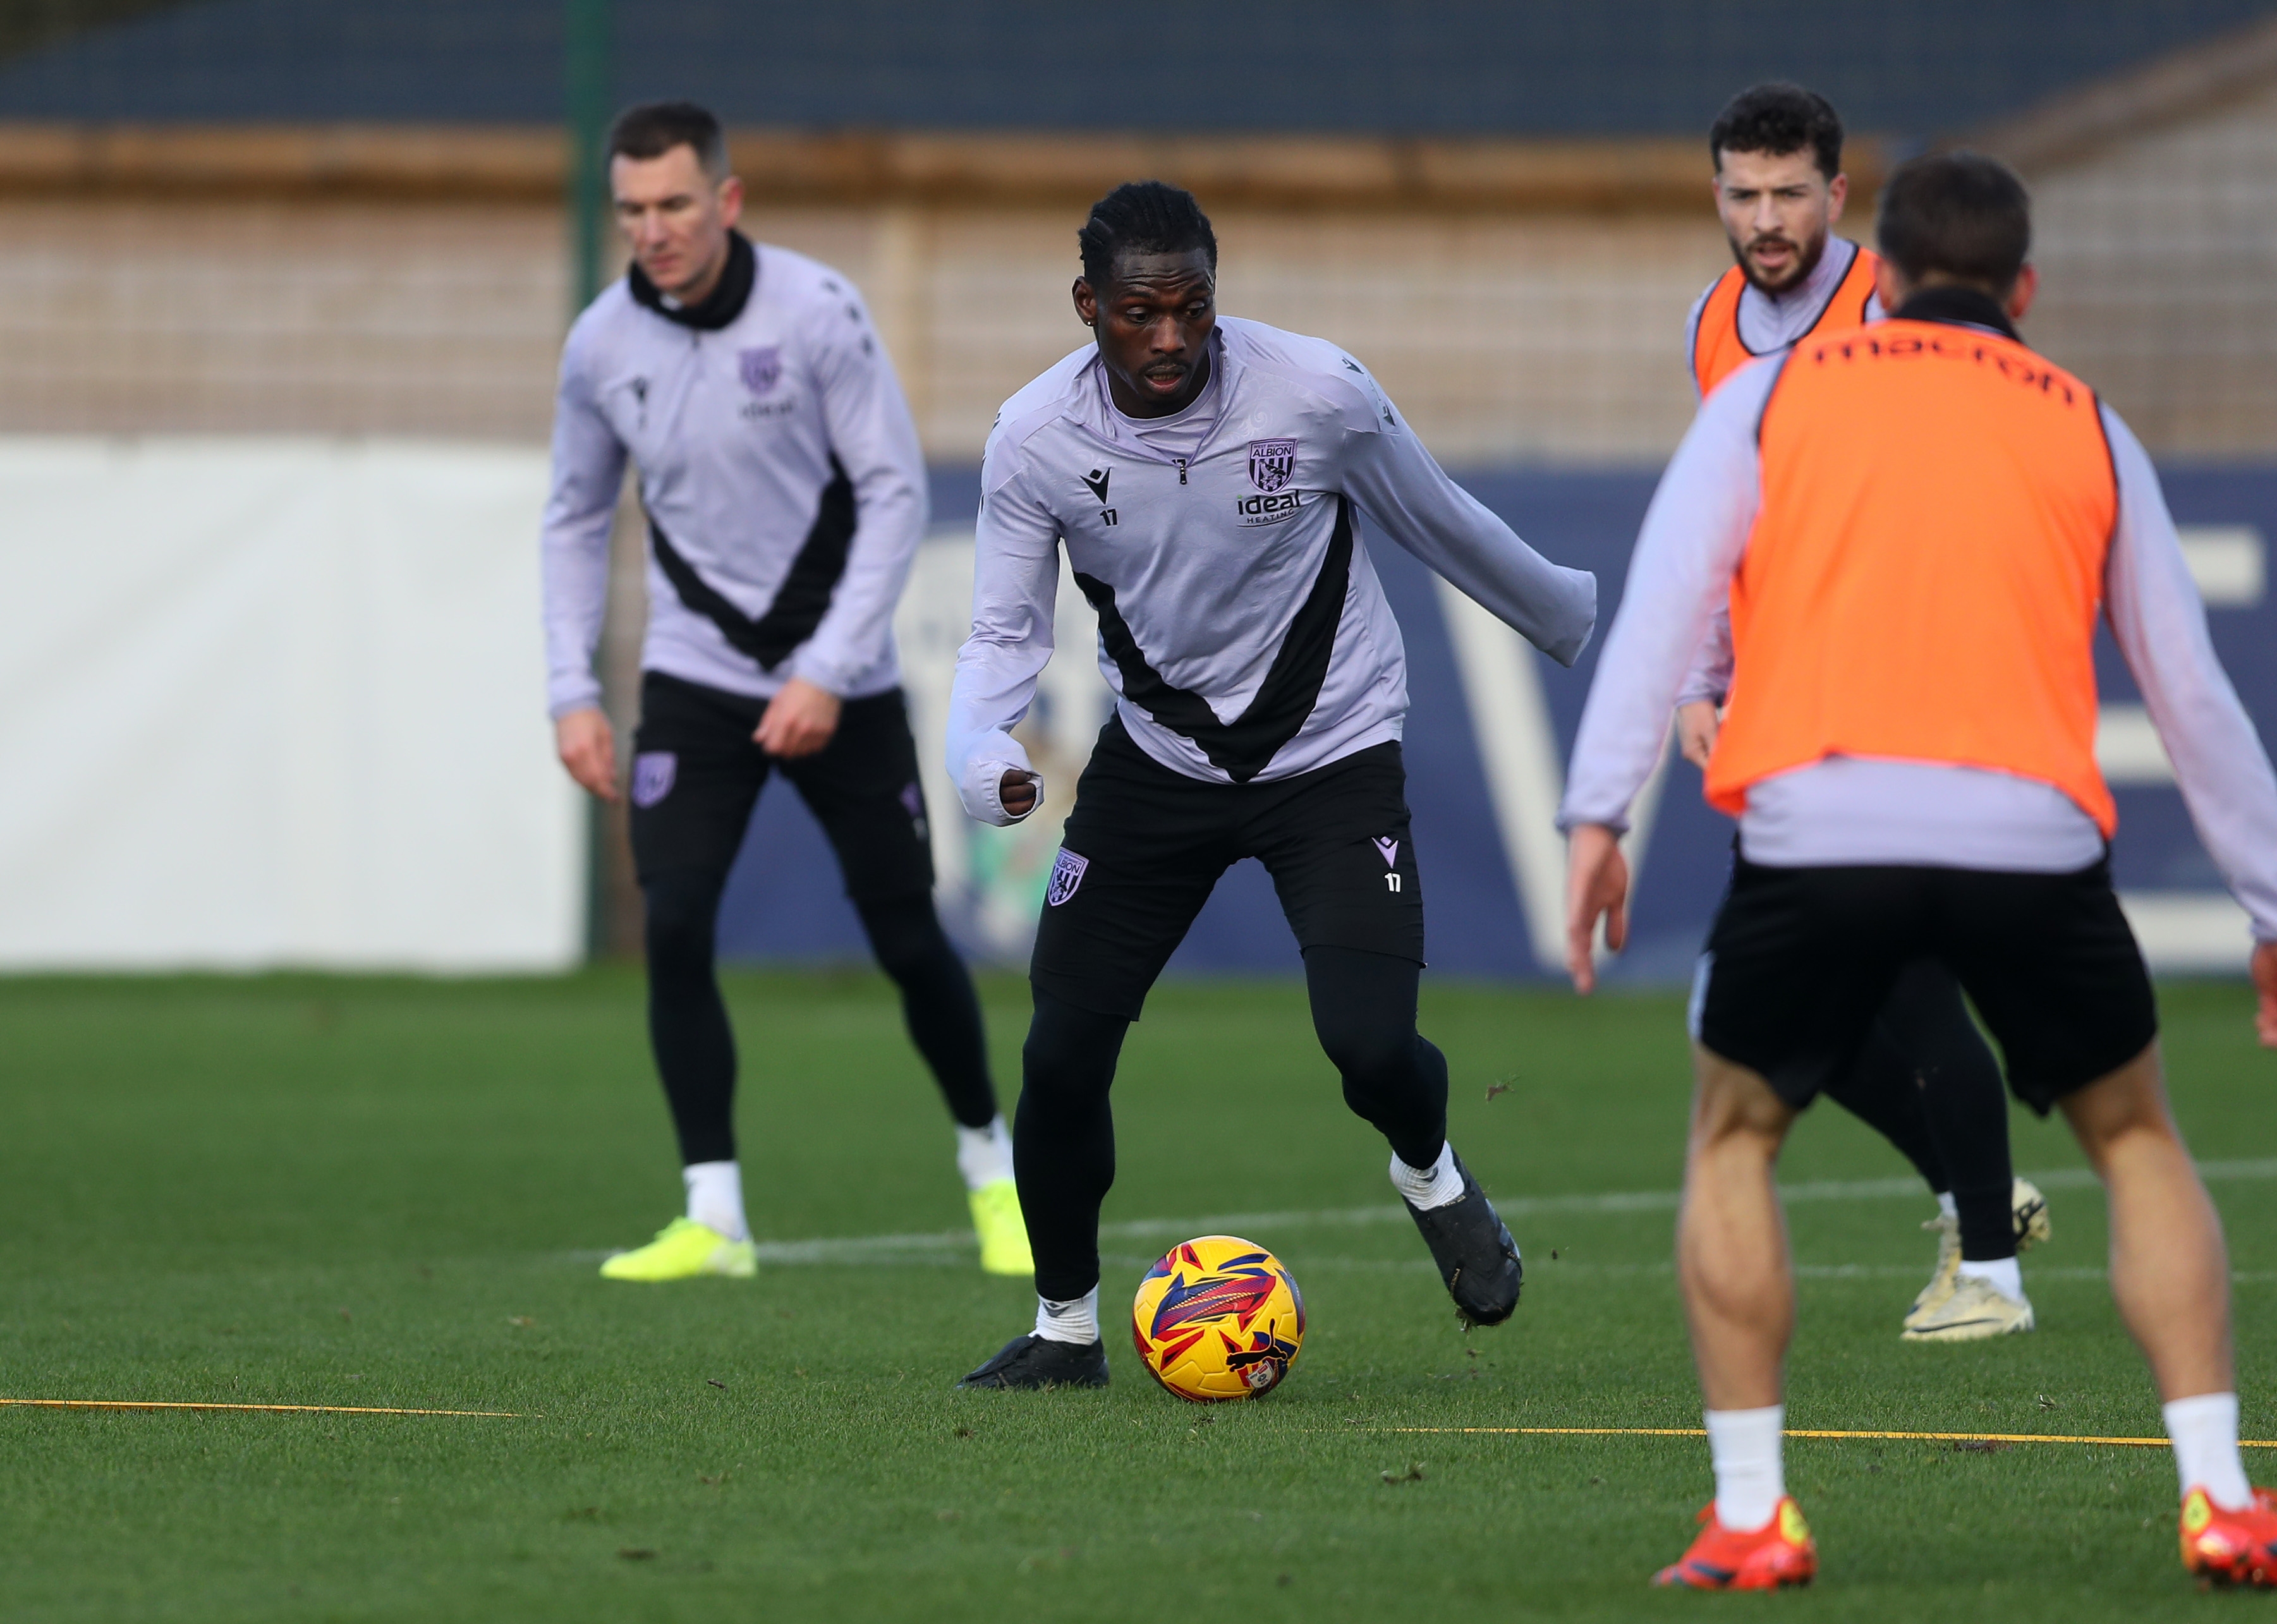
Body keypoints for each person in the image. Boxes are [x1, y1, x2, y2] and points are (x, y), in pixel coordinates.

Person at [1560, 153, 2277, 1592]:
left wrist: (1594, 820)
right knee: (2135, 1139)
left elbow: (1664, 615)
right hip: (2026, 835)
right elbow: (2192, 695)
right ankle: (2221, 1496)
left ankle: (1750, 1515)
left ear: (1888, 273)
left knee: (1734, 1137)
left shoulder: (1766, 397)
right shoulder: (2089, 424)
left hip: (1817, 826)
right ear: (2023, 289)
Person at [946, 181, 1598, 1389]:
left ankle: (1430, 1175)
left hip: (1333, 755)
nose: (1169, 339)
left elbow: (1439, 521)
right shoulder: (1034, 438)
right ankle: (1067, 1330)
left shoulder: (1316, 393)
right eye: (1138, 312)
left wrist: (1577, 622)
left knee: (1367, 1045)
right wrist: (983, 756)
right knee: (1059, 1057)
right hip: (1158, 766)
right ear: (1087, 305)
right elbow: (999, 634)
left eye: (1191, 307)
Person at [540, 101, 1029, 1282]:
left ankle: (994, 1174)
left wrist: (823, 667)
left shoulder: (815, 314)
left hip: (843, 678)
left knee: (908, 936)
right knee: (673, 922)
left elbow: (894, 494)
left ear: (727, 200)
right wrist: (571, 688)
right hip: (695, 678)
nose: (653, 230)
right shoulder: (600, 344)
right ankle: (716, 1218)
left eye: (674, 205)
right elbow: (573, 515)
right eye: (633, 211)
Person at [1682, 82, 2048, 1343]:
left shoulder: (1890, 304)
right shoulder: (1712, 326)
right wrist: (1703, 679)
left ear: (1839, 198)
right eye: (1744, 192)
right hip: (1788, 698)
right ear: (1717, 194)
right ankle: (1981, 1196)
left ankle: (1988, 1262)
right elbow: (1727, 520)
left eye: (1791, 192)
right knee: (1778, 1008)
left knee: (1904, 973)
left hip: (1906, 683)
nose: (1766, 217)